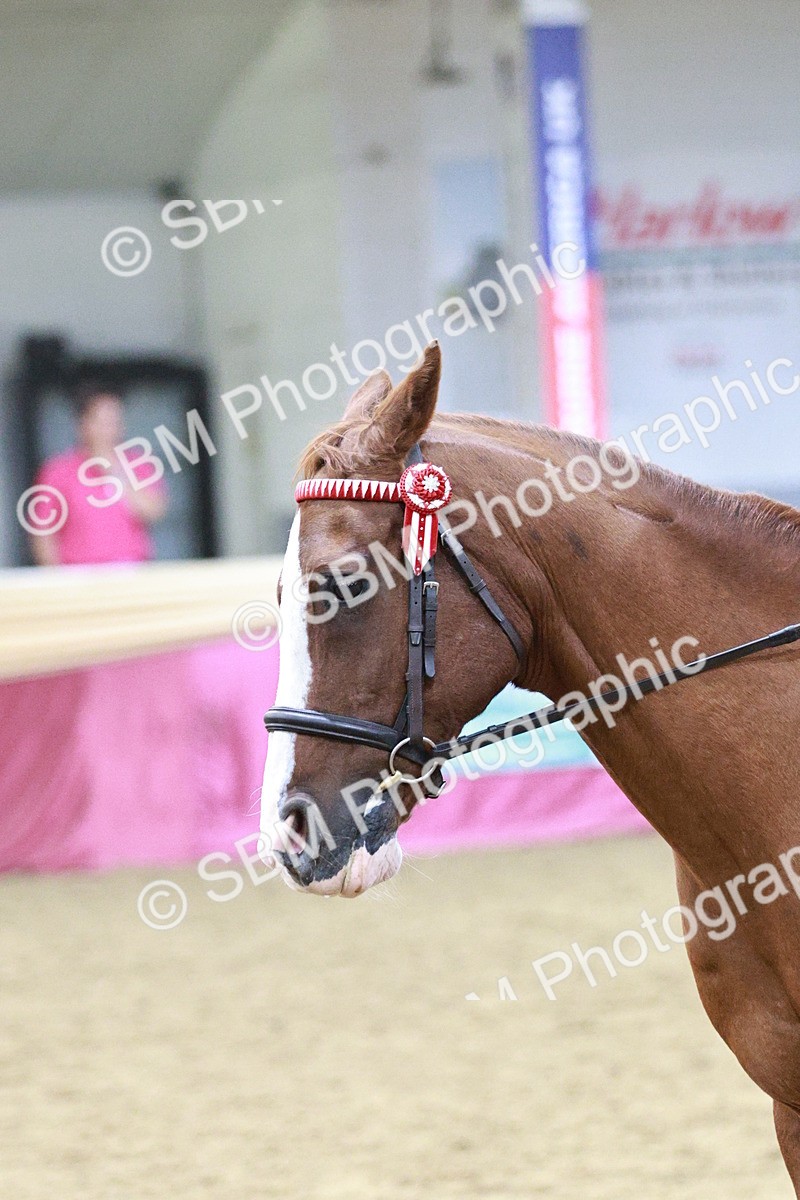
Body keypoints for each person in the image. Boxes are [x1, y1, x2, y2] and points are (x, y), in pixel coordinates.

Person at [30, 384, 167, 566]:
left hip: (130, 569)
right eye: (101, 422)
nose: (109, 430)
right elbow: (43, 533)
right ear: (83, 425)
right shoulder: (58, 471)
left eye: (114, 421)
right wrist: (57, 579)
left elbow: (153, 511)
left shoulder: (138, 463)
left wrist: (115, 473)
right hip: (77, 573)